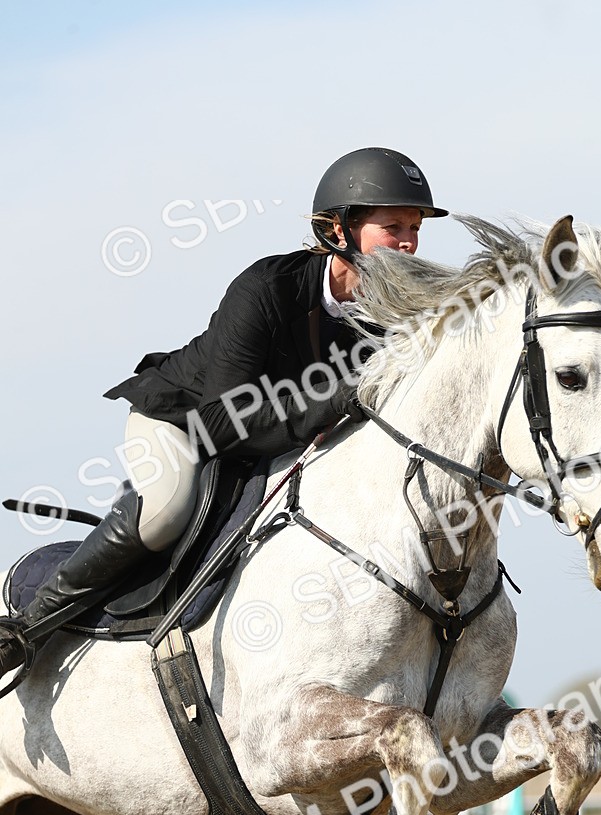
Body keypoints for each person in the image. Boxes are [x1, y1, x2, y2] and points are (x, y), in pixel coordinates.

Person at [0, 147, 447, 682]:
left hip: (276, 440)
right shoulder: (266, 288)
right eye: (392, 226)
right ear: (337, 228)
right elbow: (219, 423)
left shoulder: (393, 316)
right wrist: (340, 398)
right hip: (183, 421)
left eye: (415, 228)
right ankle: (28, 626)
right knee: (166, 512)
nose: (408, 242)